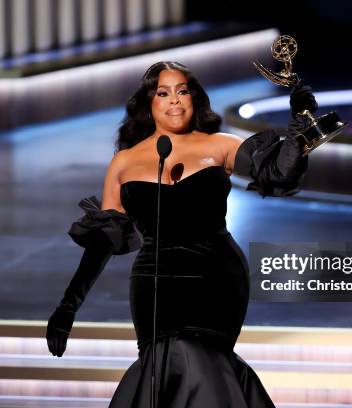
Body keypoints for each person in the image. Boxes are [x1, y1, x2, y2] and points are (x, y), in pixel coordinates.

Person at [46, 61, 317, 407]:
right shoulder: (125, 162)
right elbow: (103, 241)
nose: (174, 100)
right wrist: (68, 307)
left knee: (204, 362)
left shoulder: (220, 145)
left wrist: (300, 121)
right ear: (149, 103)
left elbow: (281, 173)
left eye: (182, 91)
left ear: (195, 98)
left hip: (214, 277)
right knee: (165, 367)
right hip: (153, 283)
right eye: (163, 93)